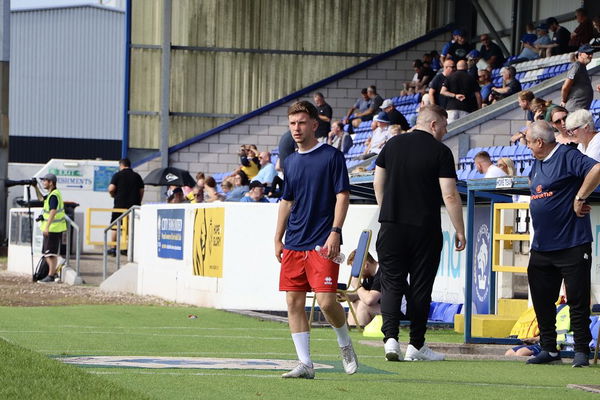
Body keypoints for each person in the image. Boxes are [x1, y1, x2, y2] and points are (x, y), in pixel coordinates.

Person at [373, 104, 466, 361]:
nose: (445, 132)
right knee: (421, 287)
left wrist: (388, 210)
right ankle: (416, 345)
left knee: (391, 282)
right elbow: (449, 193)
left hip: (391, 225)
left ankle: (390, 340)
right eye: (445, 127)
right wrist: (460, 229)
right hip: (424, 228)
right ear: (434, 124)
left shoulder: (391, 145)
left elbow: (377, 182)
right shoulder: (441, 152)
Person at [274, 100, 356, 379]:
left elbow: (342, 196)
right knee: (294, 303)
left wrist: (335, 231)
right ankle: (305, 363)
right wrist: (277, 238)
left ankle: (344, 342)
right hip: (294, 242)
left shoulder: (332, 156)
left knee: (326, 302)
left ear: (314, 125)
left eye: (301, 123)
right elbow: (287, 201)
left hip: (323, 241)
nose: (296, 128)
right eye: (292, 124)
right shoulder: (290, 161)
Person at [523, 120, 600, 367]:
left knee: (577, 300)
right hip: (542, 246)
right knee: (542, 299)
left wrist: (580, 197)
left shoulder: (567, 155)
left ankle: (580, 351)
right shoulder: (536, 163)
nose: (526, 145)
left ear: (539, 142)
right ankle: (548, 348)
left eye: (527, 140)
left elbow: (597, 169)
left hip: (572, 243)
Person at [34, 173, 67, 283]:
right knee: (48, 253)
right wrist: (35, 187)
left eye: (45, 181)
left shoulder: (53, 195)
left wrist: (47, 227)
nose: (43, 182)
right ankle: (53, 273)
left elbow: (53, 211)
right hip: (53, 228)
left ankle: (51, 276)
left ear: (51, 182)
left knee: (50, 254)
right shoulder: (52, 194)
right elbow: (40, 198)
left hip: (53, 228)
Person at [107, 158, 144, 256]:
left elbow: (111, 188)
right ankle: (127, 248)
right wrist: (138, 202)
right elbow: (141, 191)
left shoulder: (118, 175)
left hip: (119, 205)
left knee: (115, 226)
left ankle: (113, 248)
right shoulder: (137, 176)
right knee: (130, 227)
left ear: (121, 165)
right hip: (133, 206)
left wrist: (113, 195)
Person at [345, 250, 381, 327]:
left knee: (363, 305)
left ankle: (360, 334)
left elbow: (369, 300)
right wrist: (345, 296)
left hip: (400, 312)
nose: (355, 273)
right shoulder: (369, 275)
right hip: (384, 308)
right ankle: (353, 334)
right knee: (355, 302)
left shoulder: (382, 272)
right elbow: (363, 294)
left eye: (356, 269)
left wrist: (357, 286)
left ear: (366, 265)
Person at [560, 44, 594, 112]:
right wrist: (563, 100)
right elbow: (565, 87)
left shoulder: (581, 67)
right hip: (574, 110)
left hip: (580, 109)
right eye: (588, 53)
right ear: (580, 54)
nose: (590, 56)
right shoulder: (577, 66)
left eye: (591, 53)